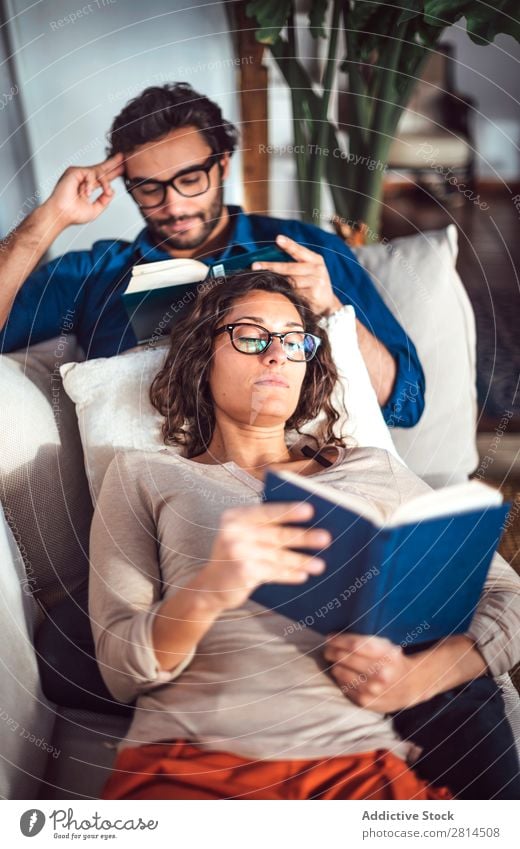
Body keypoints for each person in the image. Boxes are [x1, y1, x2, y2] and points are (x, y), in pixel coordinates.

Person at [90, 271, 520, 800]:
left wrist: (419, 678)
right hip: (191, 759)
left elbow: (507, 594)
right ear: (203, 357)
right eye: (251, 335)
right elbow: (119, 669)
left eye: (295, 341)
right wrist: (211, 589)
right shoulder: (143, 474)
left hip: (359, 765)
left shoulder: (371, 468)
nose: (277, 355)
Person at [0, 82, 423, 428]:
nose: (175, 205)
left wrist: (332, 311)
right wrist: (49, 219)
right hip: (157, 481)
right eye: (150, 188)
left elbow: (406, 401)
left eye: (190, 178)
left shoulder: (307, 250)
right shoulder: (93, 273)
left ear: (222, 164)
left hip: (300, 467)